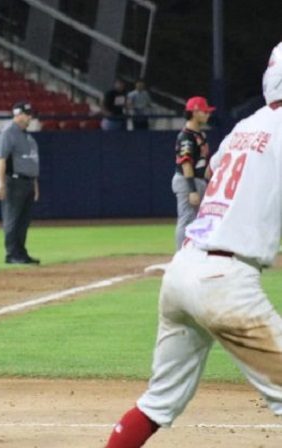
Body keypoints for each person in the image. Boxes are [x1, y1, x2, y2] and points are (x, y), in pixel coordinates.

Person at [105, 42, 282, 448]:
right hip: (225, 281)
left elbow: (218, 171)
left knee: (156, 404)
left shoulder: (246, 126)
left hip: (183, 270)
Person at [0, 101, 40, 264]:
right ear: (18, 114)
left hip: (27, 182)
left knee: (23, 221)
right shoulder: (8, 133)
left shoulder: (26, 135)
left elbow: (32, 163)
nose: (30, 117)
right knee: (12, 219)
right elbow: (1, 160)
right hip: (14, 181)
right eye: (27, 114)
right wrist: (1, 183)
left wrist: (35, 185)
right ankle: (12, 254)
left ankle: (21, 253)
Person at [171, 96, 214, 250]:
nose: (208, 114)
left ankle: (195, 252)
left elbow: (202, 162)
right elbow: (186, 164)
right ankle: (180, 254)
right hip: (187, 181)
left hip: (198, 180)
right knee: (186, 219)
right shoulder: (186, 137)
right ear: (194, 112)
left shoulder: (200, 135)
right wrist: (192, 190)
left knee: (201, 219)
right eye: (204, 111)